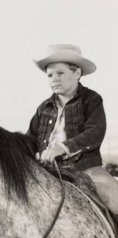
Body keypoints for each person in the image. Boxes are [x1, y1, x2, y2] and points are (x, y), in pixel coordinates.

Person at [28, 44, 118, 217]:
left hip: (85, 169)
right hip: (47, 170)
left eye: (60, 73)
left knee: (113, 197)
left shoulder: (91, 100)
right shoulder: (43, 107)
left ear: (76, 74)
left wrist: (62, 148)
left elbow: (95, 132)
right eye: (50, 75)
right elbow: (30, 138)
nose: (54, 79)